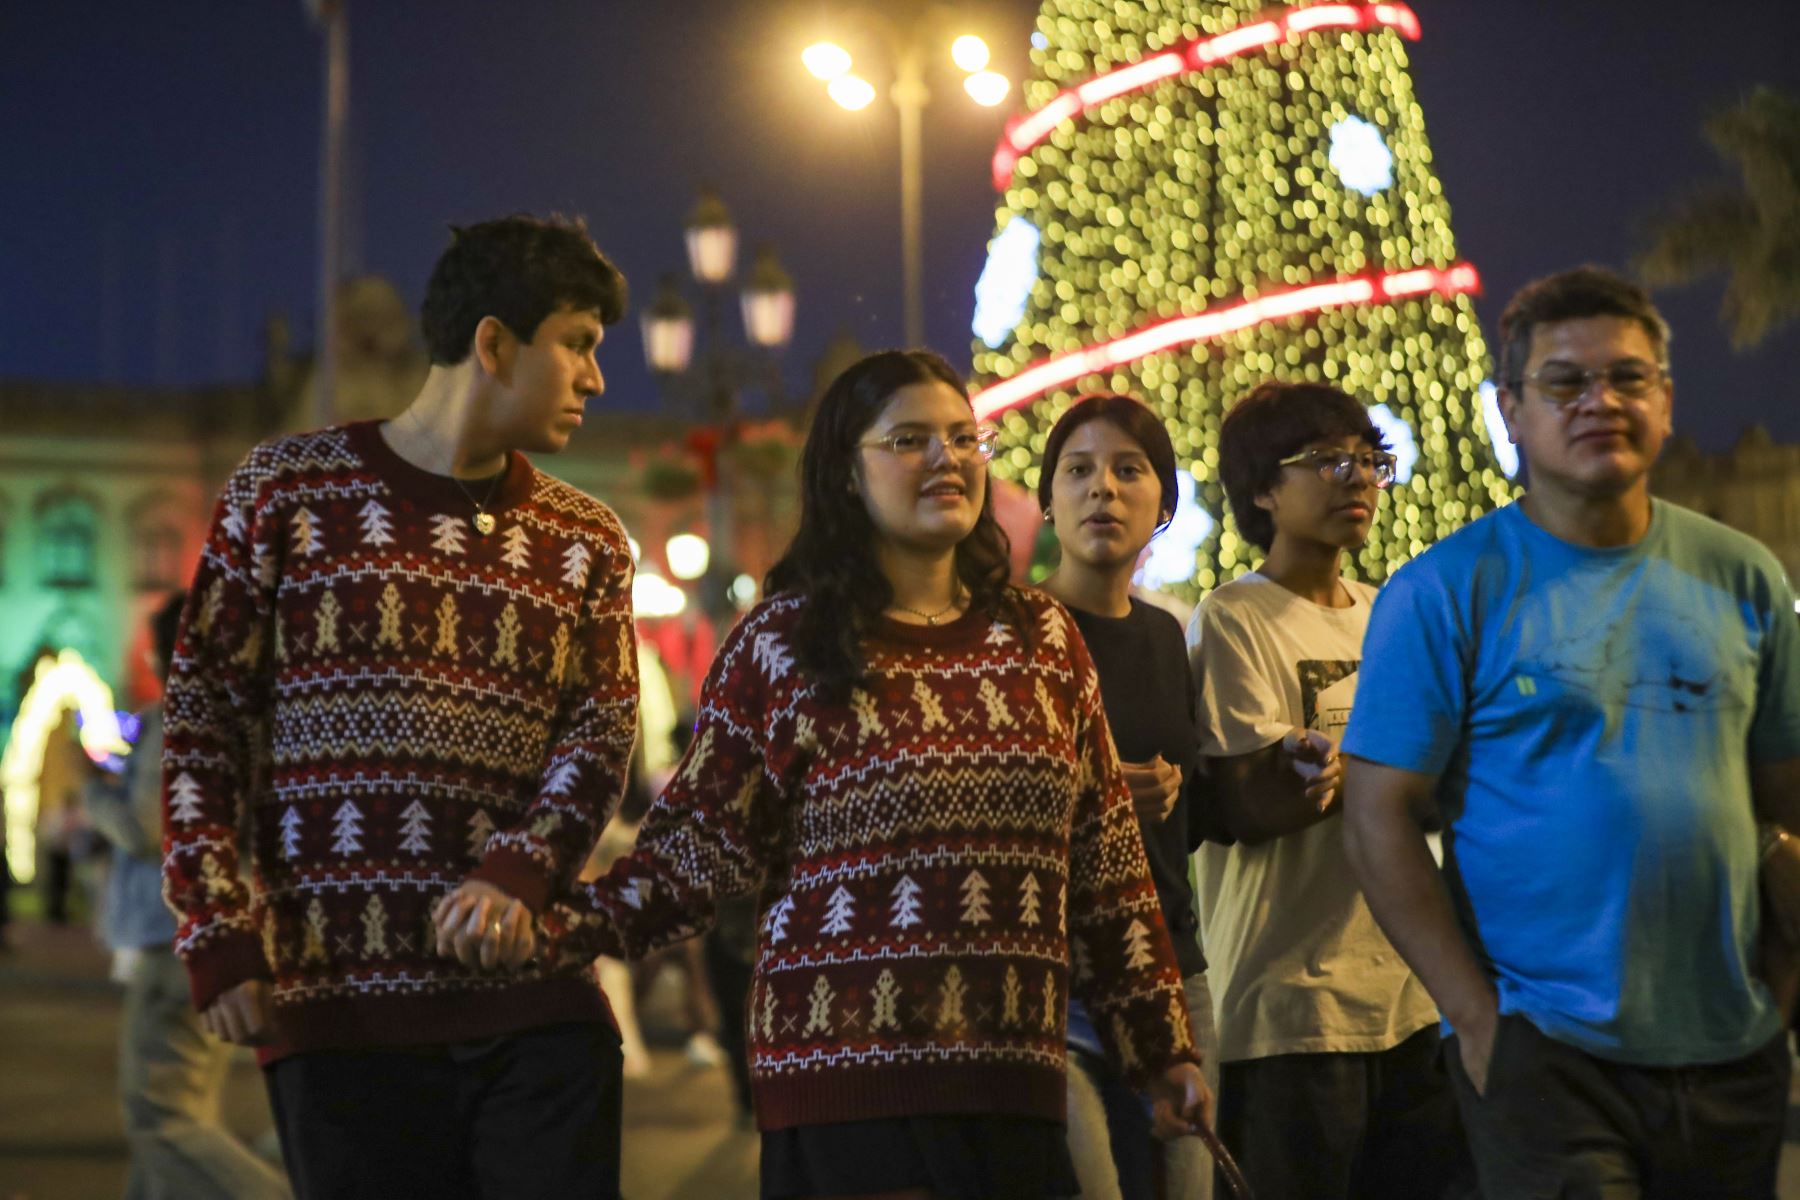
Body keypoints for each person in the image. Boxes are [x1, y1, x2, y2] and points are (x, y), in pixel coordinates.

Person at [537, 349, 1211, 1200]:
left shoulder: (1043, 639)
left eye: (965, 439)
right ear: (847, 475)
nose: (947, 459)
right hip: (846, 1095)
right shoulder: (784, 645)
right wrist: (553, 928)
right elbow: (698, 848)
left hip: (1013, 1091)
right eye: (910, 440)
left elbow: (1107, 865)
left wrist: (1162, 1050)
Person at [161, 214, 640, 1199]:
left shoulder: (586, 539)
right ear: (495, 343)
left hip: (536, 1000)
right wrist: (215, 932)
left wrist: (522, 870)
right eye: (580, 346)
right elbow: (203, 722)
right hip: (340, 1012)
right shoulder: (282, 493)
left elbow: (599, 734)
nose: (597, 380)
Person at [1342, 265, 1800, 1198]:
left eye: (1629, 378)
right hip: (1546, 1056)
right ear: (1509, 409)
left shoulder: (1744, 579)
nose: (1601, 401)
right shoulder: (1443, 592)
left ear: (1666, 401)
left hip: (1733, 1046)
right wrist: (1475, 1019)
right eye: (1565, 383)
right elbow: (1377, 817)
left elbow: (1786, 801)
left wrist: (1784, 984)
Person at [1186, 382, 1467, 1198]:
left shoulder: (1393, 614)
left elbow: (1441, 779)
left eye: (1370, 461)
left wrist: (1354, 766)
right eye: (1326, 462)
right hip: (1289, 1013)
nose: (1358, 479)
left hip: (1412, 999)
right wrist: (1391, 765)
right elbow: (1255, 803)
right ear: (1263, 491)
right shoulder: (1235, 617)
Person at [1035, 394, 1216, 1200]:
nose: (1101, 490)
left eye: (1127, 470)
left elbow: (1199, 819)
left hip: (1176, 969)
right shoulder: (1019, 633)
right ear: (1047, 501)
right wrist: (1097, 798)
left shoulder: (1166, 636)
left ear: (1165, 505)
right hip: (1057, 980)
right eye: (1078, 471)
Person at [87, 591, 292, 1200]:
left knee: (163, 1121)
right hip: (220, 926)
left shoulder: (186, 712)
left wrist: (90, 793)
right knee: (182, 1116)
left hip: (173, 931)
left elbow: (150, 827)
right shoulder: (257, 711)